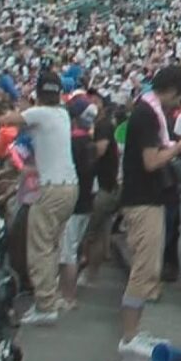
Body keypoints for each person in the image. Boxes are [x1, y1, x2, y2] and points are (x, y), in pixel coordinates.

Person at [0, 71, 79, 326]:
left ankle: (45, 306)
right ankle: (48, 299)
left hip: (52, 188)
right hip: (70, 187)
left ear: (39, 94)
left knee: (40, 247)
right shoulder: (62, 114)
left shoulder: (39, 113)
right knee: (51, 246)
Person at [118, 65, 181, 358]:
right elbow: (152, 161)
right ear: (174, 90)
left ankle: (134, 332)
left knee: (148, 269)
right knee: (145, 269)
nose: (180, 104)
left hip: (147, 199)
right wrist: (180, 148)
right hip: (142, 200)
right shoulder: (147, 114)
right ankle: (128, 336)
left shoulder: (148, 111)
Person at [59, 95, 98, 311]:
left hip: (74, 204)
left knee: (68, 253)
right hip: (86, 202)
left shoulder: (74, 143)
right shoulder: (89, 142)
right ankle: (67, 295)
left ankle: (68, 297)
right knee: (72, 249)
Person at [81, 90, 120, 286]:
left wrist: (83, 152)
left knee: (91, 233)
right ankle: (91, 273)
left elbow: (101, 149)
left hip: (103, 187)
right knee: (99, 231)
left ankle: (90, 273)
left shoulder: (103, 125)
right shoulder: (98, 125)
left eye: (94, 100)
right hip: (105, 186)